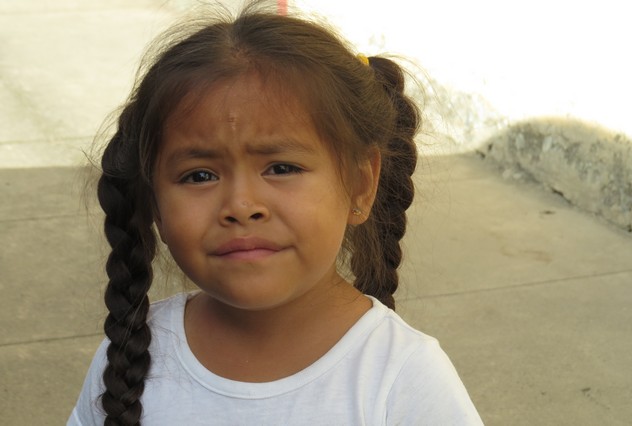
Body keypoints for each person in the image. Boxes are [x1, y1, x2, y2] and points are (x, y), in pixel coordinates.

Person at [69, 3, 483, 425]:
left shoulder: (403, 377)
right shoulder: (131, 354)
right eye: (199, 175)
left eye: (282, 168)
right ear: (154, 203)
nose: (242, 207)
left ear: (360, 184)